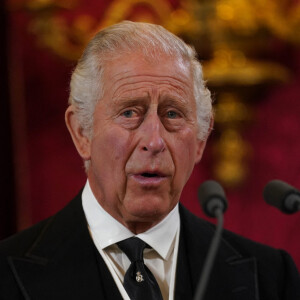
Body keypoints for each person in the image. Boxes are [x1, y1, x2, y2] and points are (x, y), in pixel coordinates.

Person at [0, 21, 299, 300]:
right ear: (82, 133)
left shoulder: (271, 278)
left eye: (172, 114)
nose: (154, 141)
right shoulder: (7, 275)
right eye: (130, 113)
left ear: (200, 141)